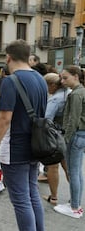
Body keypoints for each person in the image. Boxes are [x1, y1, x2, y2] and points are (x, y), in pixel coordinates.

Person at [0, 39, 47, 231]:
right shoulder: (40, 79)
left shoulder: (11, 81)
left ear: (8, 57)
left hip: (15, 147)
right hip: (36, 146)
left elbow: (4, 119)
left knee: (21, 200)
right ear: (28, 57)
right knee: (32, 194)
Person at [54, 65, 85, 219]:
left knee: (74, 172)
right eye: (61, 78)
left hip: (76, 135)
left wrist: (65, 139)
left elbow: (73, 119)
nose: (63, 81)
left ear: (76, 76)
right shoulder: (80, 92)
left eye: (65, 77)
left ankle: (74, 207)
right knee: (77, 171)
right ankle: (75, 203)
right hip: (81, 135)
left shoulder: (76, 94)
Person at [40, 73, 70, 205]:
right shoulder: (69, 92)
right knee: (68, 167)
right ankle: (74, 196)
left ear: (52, 85)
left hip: (56, 136)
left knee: (53, 167)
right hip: (68, 135)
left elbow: (47, 120)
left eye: (46, 86)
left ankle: (54, 197)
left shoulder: (55, 99)